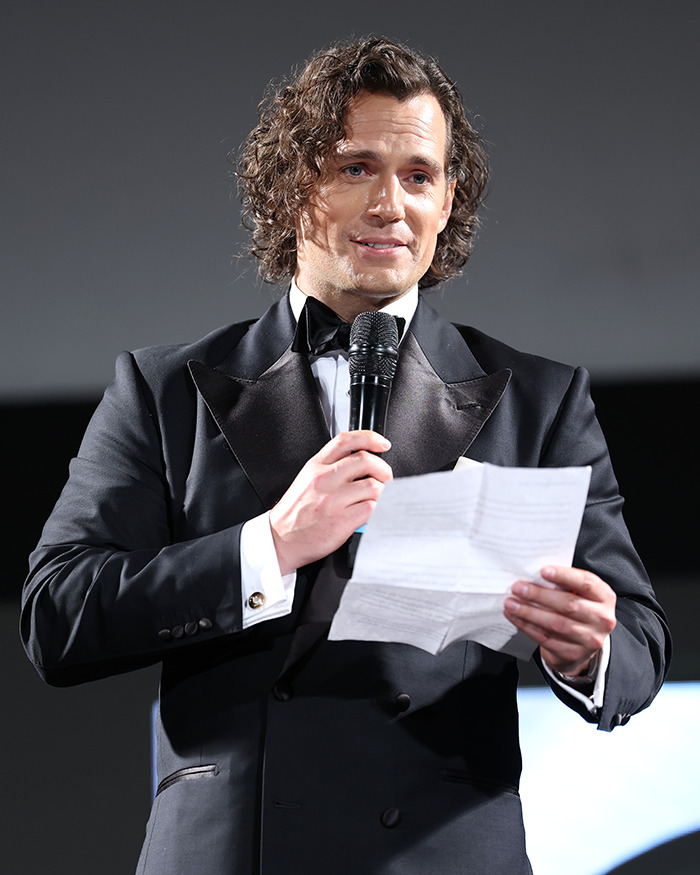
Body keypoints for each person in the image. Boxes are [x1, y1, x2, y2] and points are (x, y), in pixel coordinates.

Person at [21, 37, 670, 874]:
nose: (391, 204)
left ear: (448, 202)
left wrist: (588, 648)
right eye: (356, 167)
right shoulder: (163, 388)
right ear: (292, 185)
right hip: (236, 849)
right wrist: (269, 547)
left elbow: (641, 642)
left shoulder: (540, 401)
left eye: (419, 175)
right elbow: (56, 613)